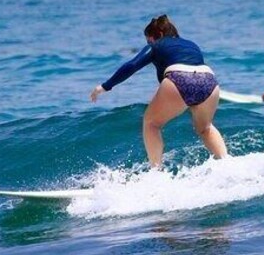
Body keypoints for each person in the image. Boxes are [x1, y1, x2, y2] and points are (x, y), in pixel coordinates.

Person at [90, 15, 227, 168]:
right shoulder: (191, 44)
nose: (148, 44)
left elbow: (132, 65)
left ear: (159, 35)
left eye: (149, 40)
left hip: (179, 78)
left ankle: (156, 172)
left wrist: (105, 86)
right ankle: (227, 163)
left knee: (151, 123)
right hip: (209, 81)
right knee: (205, 128)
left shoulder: (156, 45)